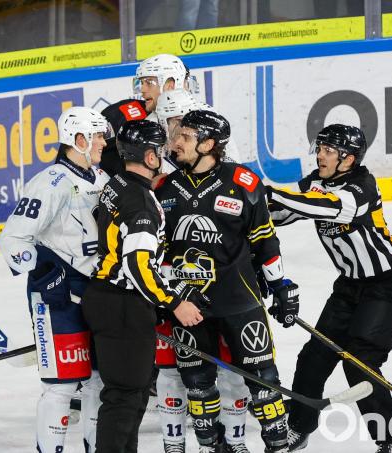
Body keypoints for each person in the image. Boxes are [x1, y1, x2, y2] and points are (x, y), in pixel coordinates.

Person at [155, 110, 300, 453]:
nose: (175, 142)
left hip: (240, 301)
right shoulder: (163, 188)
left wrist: (279, 287)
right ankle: (213, 446)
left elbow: (266, 241)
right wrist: (161, 298)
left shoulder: (244, 182)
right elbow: (155, 254)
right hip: (187, 307)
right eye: (177, 134)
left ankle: (278, 445)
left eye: (185, 137)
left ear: (208, 145)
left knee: (264, 384)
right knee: (198, 387)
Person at [266, 124, 392, 453]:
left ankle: (389, 442)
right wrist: (250, 205)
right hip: (348, 287)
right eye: (320, 148)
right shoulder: (313, 184)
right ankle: (299, 429)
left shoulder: (363, 185)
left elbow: (331, 207)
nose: (320, 155)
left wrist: (270, 192)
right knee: (313, 359)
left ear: (348, 159)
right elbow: (282, 213)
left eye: (329, 151)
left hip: (386, 287)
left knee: (359, 362)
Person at [82, 119, 209, 453]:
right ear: (150, 157)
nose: (165, 155)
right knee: (125, 395)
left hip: (109, 299)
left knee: (133, 394)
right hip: (123, 304)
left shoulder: (118, 182)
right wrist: (173, 301)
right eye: (160, 150)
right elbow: (137, 266)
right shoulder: (141, 202)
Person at [0, 106, 111, 453]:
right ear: (79, 140)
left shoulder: (102, 179)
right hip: (56, 299)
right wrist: (45, 272)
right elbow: (12, 239)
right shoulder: (50, 183)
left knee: (96, 381)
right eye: (98, 135)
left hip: (96, 292)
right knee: (61, 386)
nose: (104, 142)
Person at [153, 90, 253, 453]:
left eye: (184, 126)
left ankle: (230, 440)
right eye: (173, 124)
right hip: (176, 291)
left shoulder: (224, 162)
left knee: (231, 369)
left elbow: (245, 223)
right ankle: (176, 443)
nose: (177, 133)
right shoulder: (157, 165)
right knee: (172, 373)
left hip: (224, 289)